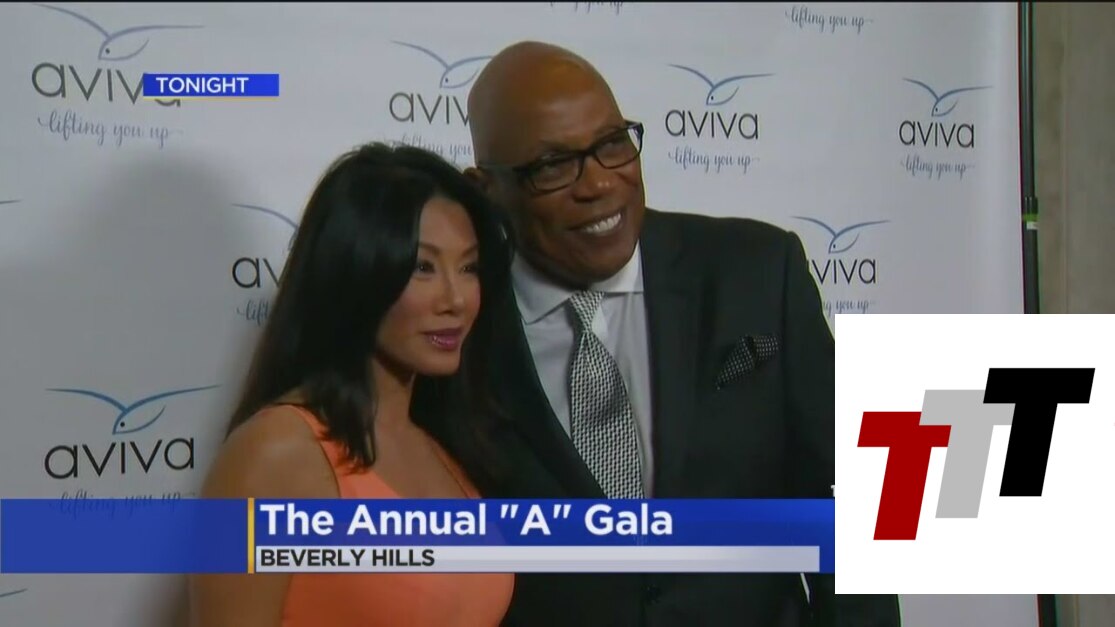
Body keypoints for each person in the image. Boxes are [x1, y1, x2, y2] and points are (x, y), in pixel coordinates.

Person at [454, 41, 903, 626]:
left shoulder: (757, 271)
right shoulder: (456, 331)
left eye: (613, 144)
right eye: (554, 166)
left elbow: (849, 502)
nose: (599, 184)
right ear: (485, 190)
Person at [188, 142, 515, 627]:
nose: (457, 299)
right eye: (423, 267)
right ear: (356, 270)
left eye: (469, 268)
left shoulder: (445, 445)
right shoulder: (277, 452)